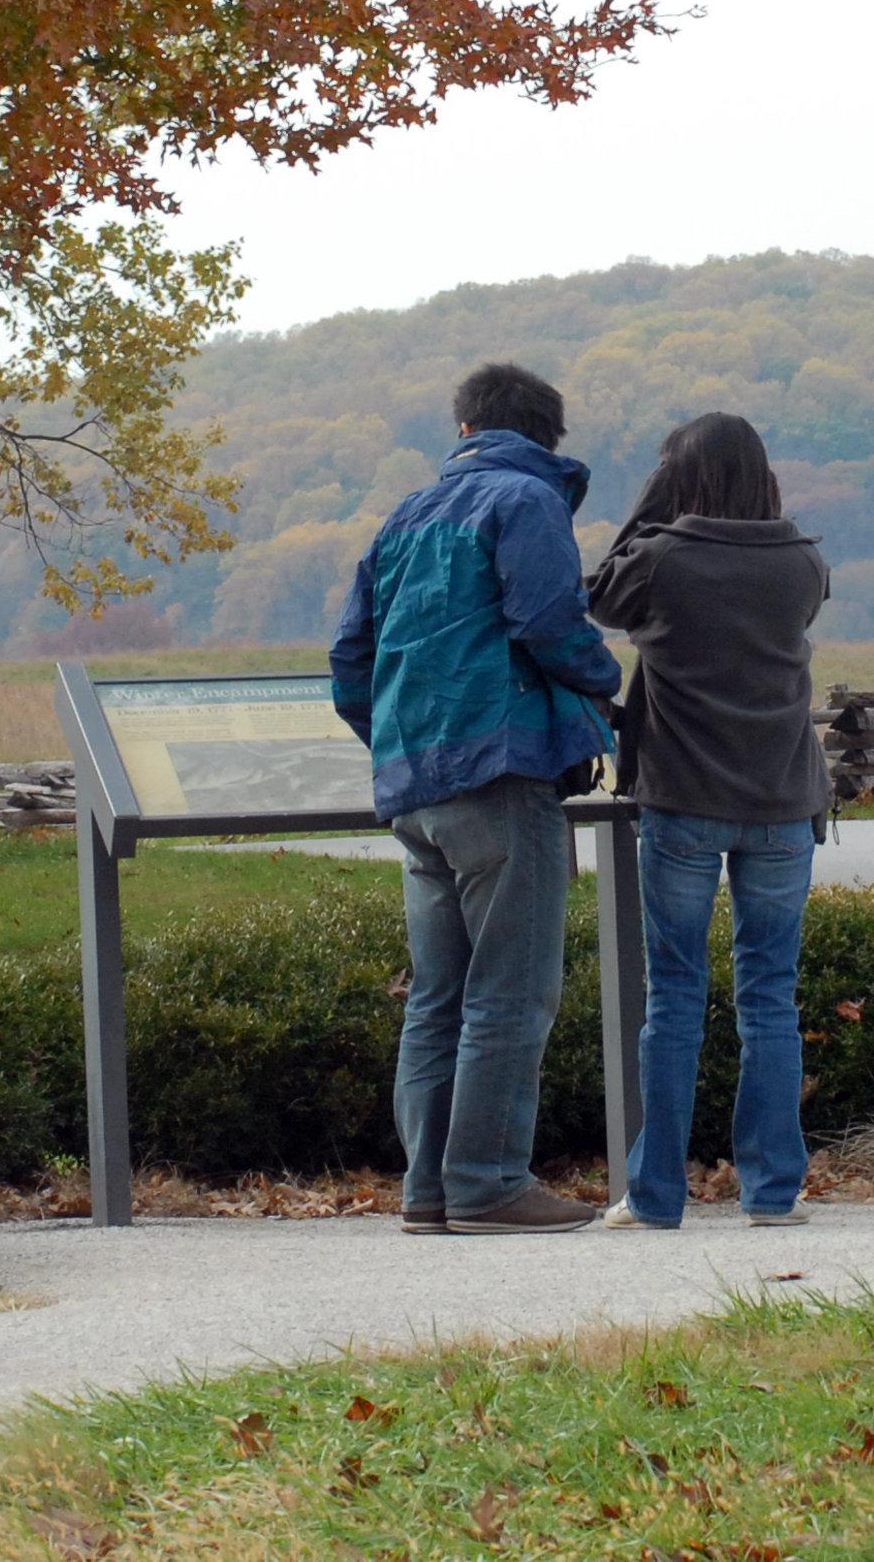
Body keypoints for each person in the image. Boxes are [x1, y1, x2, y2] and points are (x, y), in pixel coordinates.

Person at [328, 361, 622, 1235]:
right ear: (546, 439)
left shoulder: (403, 518)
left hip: (414, 789)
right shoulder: (527, 502)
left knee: (437, 996)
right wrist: (608, 687)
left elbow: (350, 658)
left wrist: (395, 740)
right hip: (500, 775)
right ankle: (490, 1183)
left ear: (464, 429)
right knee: (511, 988)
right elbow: (547, 622)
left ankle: (429, 1190)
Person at [583, 410, 830, 1228]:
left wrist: (654, 505)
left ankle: (656, 1196)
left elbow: (599, 596)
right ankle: (773, 1193)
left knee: (676, 998)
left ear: (676, 479)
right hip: (785, 802)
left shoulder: (660, 560)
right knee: (771, 997)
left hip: (685, 799)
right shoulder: (802, 564)